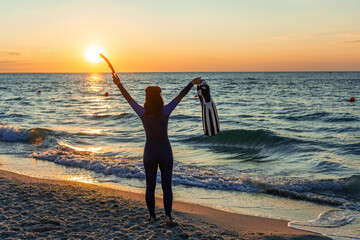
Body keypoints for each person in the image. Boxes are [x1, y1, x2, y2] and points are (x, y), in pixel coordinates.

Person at [113, 75, 203, 226]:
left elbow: (128, 98)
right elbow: (179, 96)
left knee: (150, 186)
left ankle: (152, 217)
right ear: (159, 98)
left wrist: (119, 84)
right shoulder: (165, 111)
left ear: (147, 98)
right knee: (166, 186)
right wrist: (191, 83)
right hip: (165, 151)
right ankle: (168, 217)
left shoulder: (142, 112)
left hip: (150, 152)